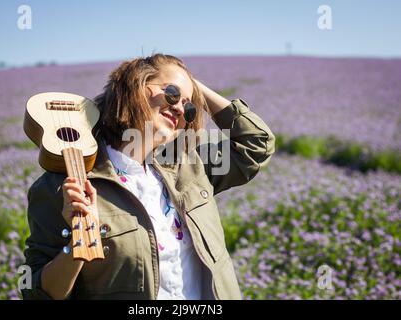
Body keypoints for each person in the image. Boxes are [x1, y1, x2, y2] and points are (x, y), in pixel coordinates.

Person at [22, 54, 275, 300]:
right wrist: (76, 248)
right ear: (136, 85)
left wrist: (191, 86)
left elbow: (256, 144)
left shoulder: (189, 168)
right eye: (172, 93)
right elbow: (36, 292)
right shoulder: (63, 187)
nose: (179, 108)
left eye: (188, 107)